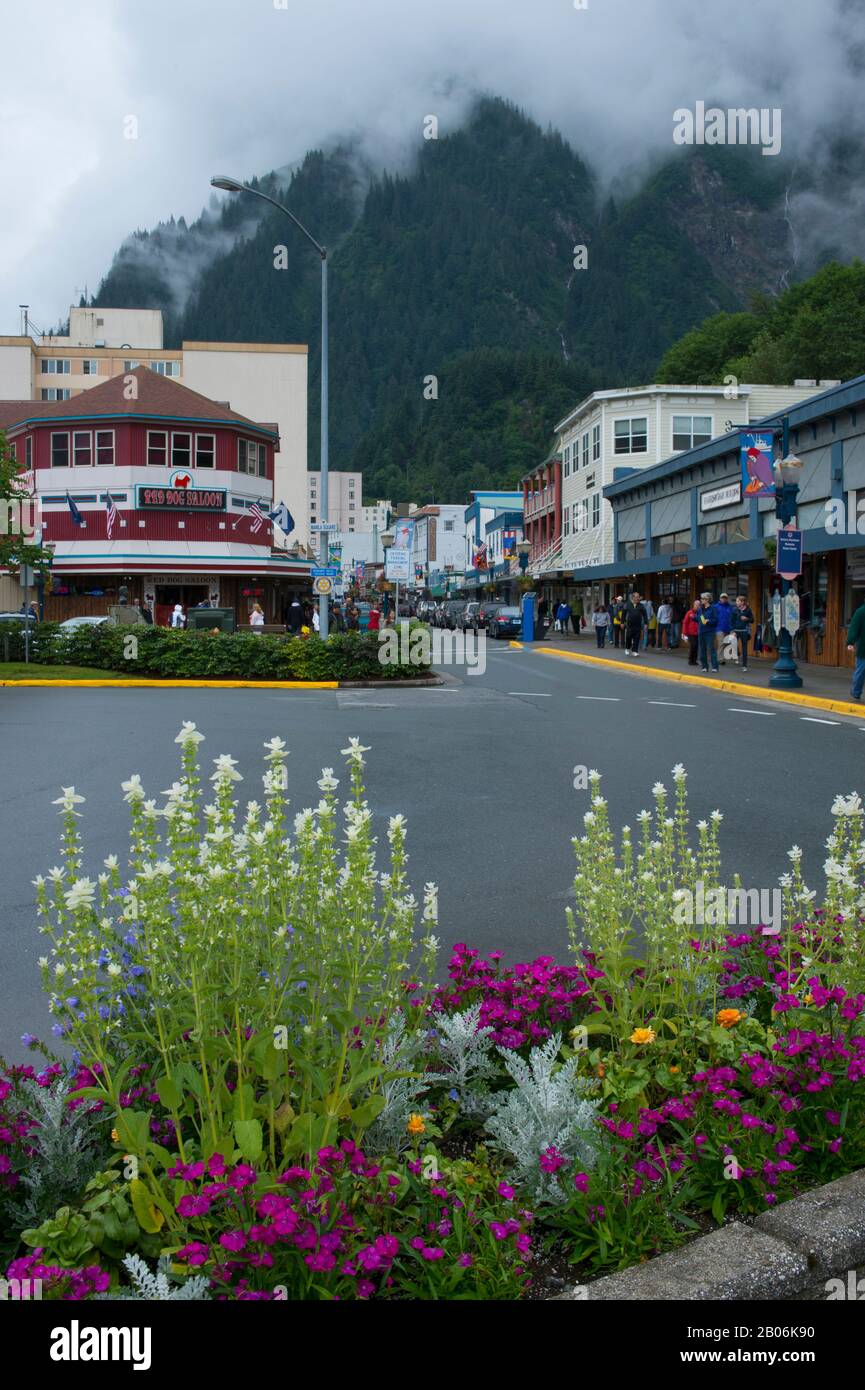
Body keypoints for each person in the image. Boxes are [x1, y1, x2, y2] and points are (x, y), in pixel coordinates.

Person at [847, 598, 865, 700]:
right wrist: (850, 642)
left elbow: (854, 628)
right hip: (863, 648)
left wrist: (850, 642)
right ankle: (856, 692)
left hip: (863, 648)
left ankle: (856, 692)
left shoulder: (860, 612)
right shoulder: (861, 612)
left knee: (860, 671)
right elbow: (854, 628)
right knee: (860, 671)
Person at [731, 595, 755, 670]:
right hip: (736, 631)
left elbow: (752, 620)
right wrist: (733, 631)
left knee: (744, 648)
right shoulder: (735, 610)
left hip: (744, 631)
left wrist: (747, 618)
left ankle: (744, 665)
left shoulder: (748, 610)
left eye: (738, 601)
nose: (736, 602)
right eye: (736, 601)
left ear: (742, 602)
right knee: (733, 644)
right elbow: (732, 621)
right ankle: (736, 656)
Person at [697, 592, 719, 672]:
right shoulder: (700, 609)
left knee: (711, 649)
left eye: (702, 599)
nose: (701, 600)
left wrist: (709, 621)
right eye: (701, 598)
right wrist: (693, 617)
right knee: (702, 649)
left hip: (710, 632)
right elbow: (698, 619)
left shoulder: (713, 609)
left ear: (707, 599)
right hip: (701, 631)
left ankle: (715, 667)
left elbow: (716, 620)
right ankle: (704, 666)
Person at [624, 591, 647, 656]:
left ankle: (635, 651)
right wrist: (622, 622)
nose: (637, 598)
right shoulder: (628, 604)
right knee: (628, 637)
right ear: (633, 597)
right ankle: (627, 648)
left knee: (637, 638)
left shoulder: (641, 606)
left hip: (638, 624)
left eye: (638, 597)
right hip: (629, 624)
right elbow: (624, 613)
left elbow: (645, 614)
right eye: (636, 597)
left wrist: (646, 623)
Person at [682, 600, 700, 666]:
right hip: (691, 633)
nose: (697, 606)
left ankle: (694, 660)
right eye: (696, 605)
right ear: (693, 605)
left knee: (696, 647)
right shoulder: (689, 613)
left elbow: (703, 622)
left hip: (698, 633)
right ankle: (690, 660)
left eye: (699, 605)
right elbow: (685, 623)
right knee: (693, 646)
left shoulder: (700, 614)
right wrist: (684, 633)